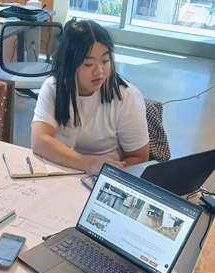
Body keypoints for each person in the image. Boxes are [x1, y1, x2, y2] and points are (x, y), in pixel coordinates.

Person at [31, 19, 150, 176]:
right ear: (69, 63)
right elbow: (39, 141)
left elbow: (140, 158)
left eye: (105, 61)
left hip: (106, 177)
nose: (99, 71)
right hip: (62, 170)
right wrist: (89, 164)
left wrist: (102, 172)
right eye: (88, 64)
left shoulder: (126, 97)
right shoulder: (54, 87)